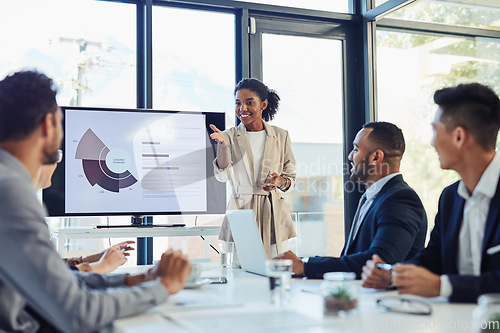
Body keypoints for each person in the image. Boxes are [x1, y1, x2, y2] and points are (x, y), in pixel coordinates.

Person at [0, 70, 192, 332]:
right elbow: (78, 313)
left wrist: (133, 280)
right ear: (48, 124)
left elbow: (59, 284)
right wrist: (162, 288)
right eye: (61, 121)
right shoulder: (10, 191)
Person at [362, 83, 500, 303]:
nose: (432, 142)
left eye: (435, 131)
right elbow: (433, 258)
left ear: (459, 137)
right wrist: (393, 275)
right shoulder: (450, 197)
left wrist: (442, 286)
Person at [276, 122, 427, 278]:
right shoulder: (375, 198)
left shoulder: (400, 199)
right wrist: (304, 262)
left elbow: (378, 263)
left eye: (356, 149)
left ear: (376, 157)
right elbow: (353, 258)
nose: (350, 156)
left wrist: (305, 266)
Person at [210, 78, 296, 258]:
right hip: (241, 210)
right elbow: (222, 176)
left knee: (276, 268)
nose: (242, 109)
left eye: (249, 103)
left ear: (263, 104)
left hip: (273, 212)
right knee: (240, 270)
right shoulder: (228, 136)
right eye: (238, 103)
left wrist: (279, 181)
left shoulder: (281, 136)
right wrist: (223, 147)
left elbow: (290, 179)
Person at [36, 158, 136, 274]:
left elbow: (44, 264)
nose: (56, 164)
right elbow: (46, 276)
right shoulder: (23, 210)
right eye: (56, 156)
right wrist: (105, 265)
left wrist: (91, 259)